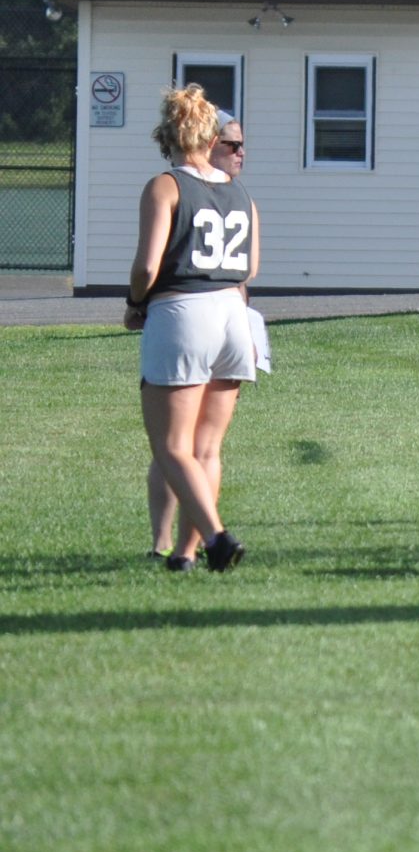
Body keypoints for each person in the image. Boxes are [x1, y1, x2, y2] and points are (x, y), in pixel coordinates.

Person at [128, 86, 257, 572]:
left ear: (167, 134)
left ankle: (218, 538)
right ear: (210, 137)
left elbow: (147, 266)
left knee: (170, 446)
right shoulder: (240, 192)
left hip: (184, 312)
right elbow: (250, 267)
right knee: (207, 448)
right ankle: (184, 554)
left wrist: (135, 303)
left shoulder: (165, 185)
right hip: (233, 314)